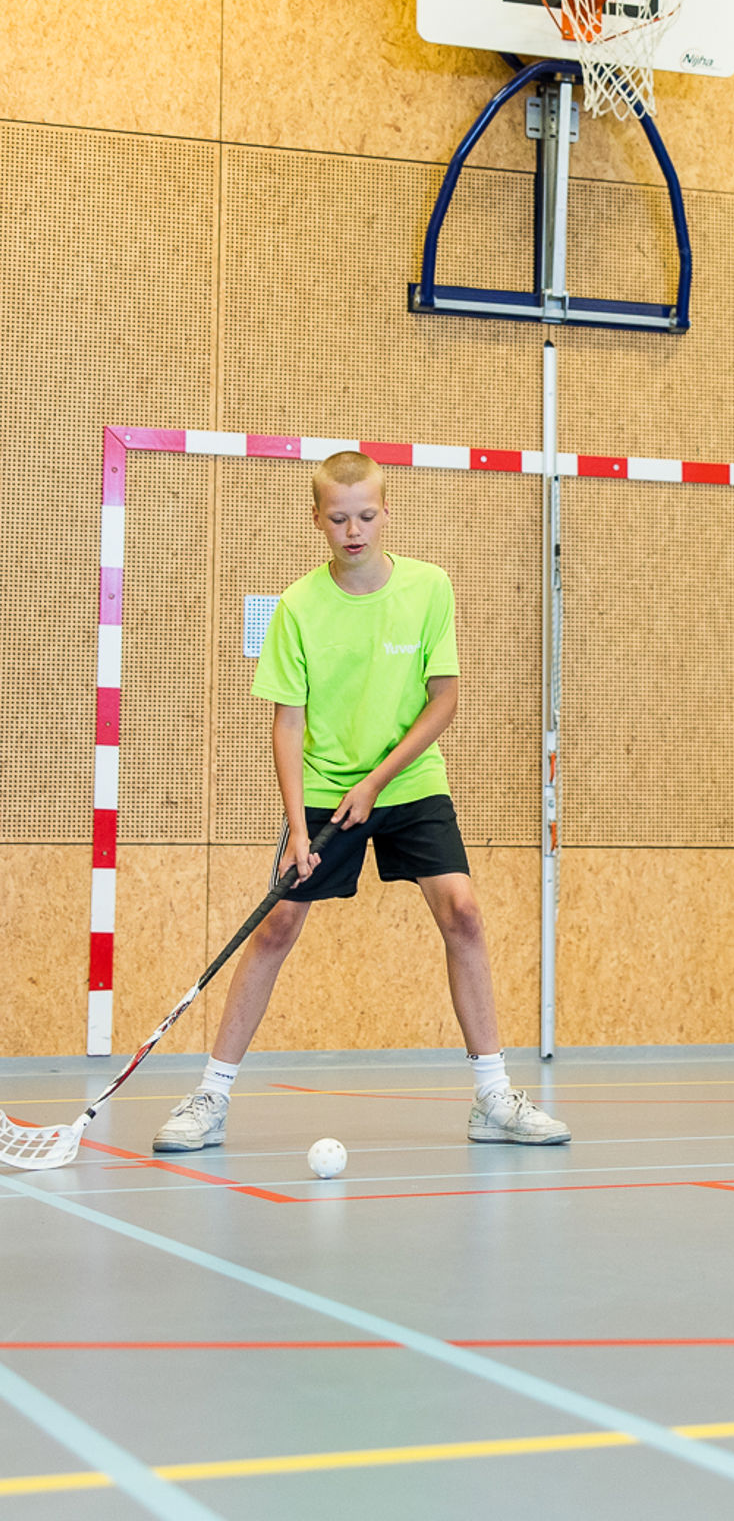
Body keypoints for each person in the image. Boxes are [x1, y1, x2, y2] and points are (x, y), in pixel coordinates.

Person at [154, 451, 568, 1153]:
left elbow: (445, 701)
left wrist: (376, 783)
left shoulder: (430, 588)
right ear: (316, 519)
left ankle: (493, 1097)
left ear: (386, 513)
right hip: (321, 788)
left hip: (407, 780)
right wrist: (295, 828)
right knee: (277, 928)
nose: (354, 531)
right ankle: (210, 1099)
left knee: (463, 913)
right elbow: (286, 723)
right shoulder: (299, 606)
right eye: (339, 518)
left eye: (367, 516)